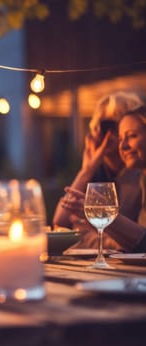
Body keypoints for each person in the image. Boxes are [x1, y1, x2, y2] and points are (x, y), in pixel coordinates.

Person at [53, 91, 144, 250]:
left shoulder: (138, 172)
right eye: (101, 125)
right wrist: (86, 170)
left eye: (112, 125)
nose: (106, 133)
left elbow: (134, 238)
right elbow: (60, 223)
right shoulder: (99, 171)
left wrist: (90, 236)